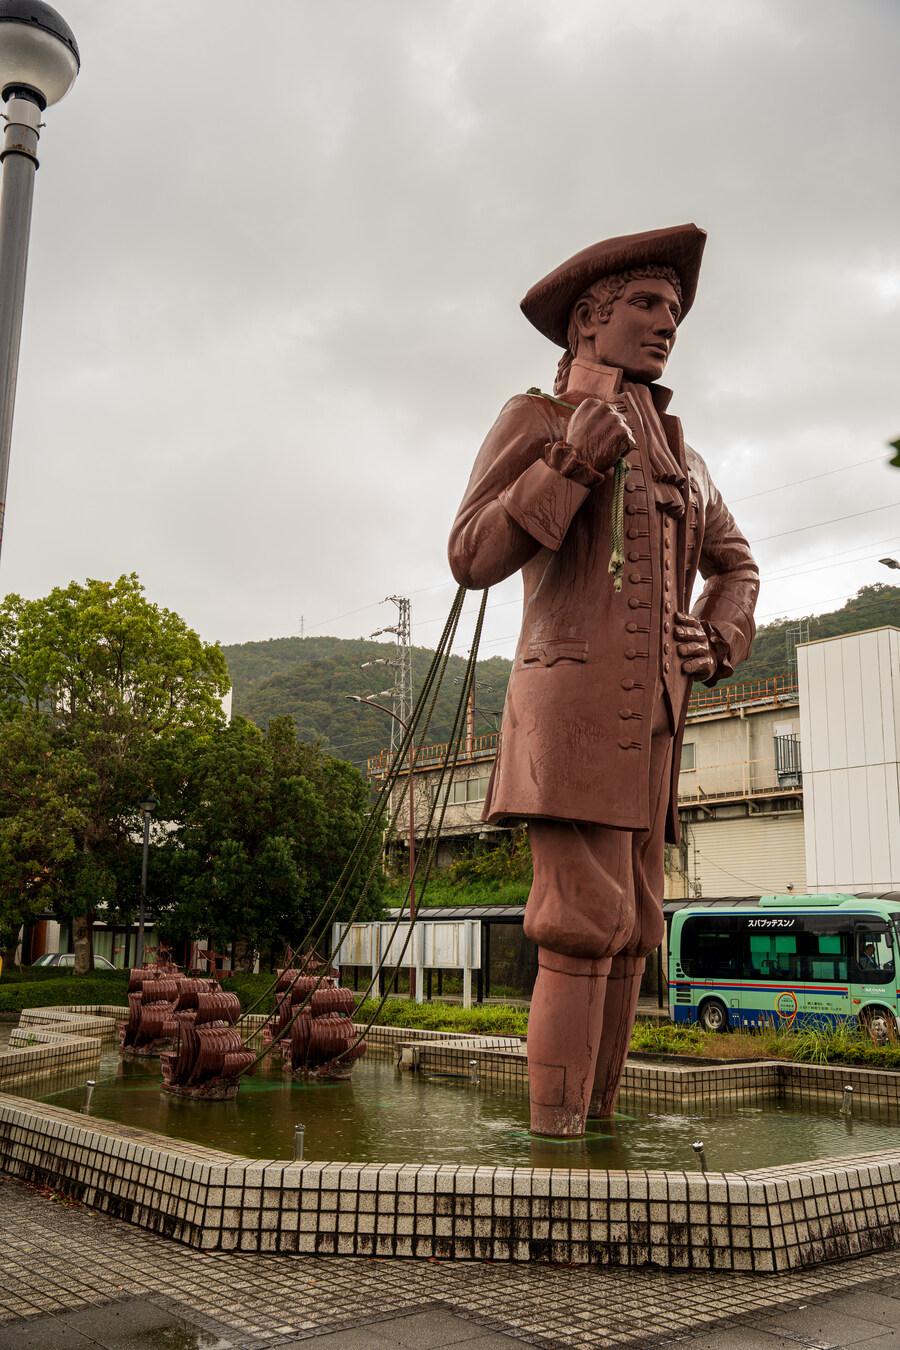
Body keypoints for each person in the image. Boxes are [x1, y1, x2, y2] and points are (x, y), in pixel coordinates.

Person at [448, 225, 759, 1137]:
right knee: (583, 921)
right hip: (570, 710)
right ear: (590, 319)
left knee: (633, 929)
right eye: (649, 306)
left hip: (655, 725)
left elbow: (736, 565)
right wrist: (571, 461)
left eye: (674, 311)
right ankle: (556, 1145)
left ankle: (602, 1132)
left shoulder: (686, 460)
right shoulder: (534, 419)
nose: (668, 326)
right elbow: (471, 556)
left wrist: (719, 637)